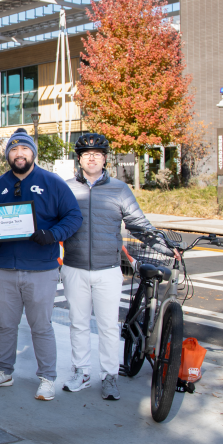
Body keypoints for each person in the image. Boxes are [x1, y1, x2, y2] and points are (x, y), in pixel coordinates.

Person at [0, 128, 82, 401]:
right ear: (7, 155)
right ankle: (4, 371)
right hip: (5, 268)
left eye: (24, 149)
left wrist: (52, 235)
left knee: (41, 326)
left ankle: (47, 378)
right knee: (5, 325)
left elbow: (73, 216)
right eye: (13, 149)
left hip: (41, 269)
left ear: (33, 153)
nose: (19, 154)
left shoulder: (52, 182)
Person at [61, 133, 165, 401]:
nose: (92, 158)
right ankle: (81, 372)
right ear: (79, 159)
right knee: (78, 324)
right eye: (86, 154)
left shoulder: (119, 189)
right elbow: (49, 220)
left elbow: (139, 224)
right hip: (74, 267)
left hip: (108, 269)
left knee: (108, 326)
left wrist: (165, 247)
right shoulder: (66, 188)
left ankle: (109, 376)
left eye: (97, 154)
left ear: (105, 158)